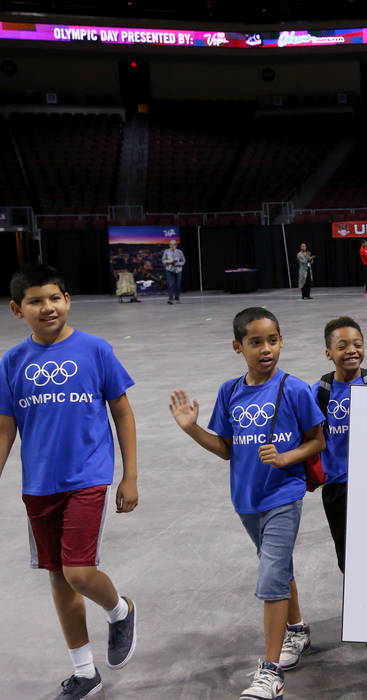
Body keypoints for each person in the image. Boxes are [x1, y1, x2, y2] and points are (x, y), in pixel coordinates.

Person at [169, 307, 325, 700]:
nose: (266, 349)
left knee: (271, 575)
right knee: (277, 565)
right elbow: (225, 448)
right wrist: (192, 430)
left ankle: (270, 673)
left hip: (283, 495)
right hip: (246, 498)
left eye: (272, 340)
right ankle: (298, 630)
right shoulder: (230, 391)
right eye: (255, 342)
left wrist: (286, 458)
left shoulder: (294, 389)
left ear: (282, 340)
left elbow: (317, 441)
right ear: (238, 347)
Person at [0, 264, 139, 700]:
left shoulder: (94, 349)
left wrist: (129, 475)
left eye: (55, 298)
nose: (47, 307)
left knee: (78, 571)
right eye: (36, 301)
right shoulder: (11, 362)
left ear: (68, 300)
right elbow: (5, 427)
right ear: (17, 309)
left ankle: (120, 610)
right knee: (58, 576)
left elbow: (122, 411)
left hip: (88, 477)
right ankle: (84, 672)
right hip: (39, 483)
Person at [314, 317, 367, 575]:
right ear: (328, 353)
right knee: (347, 555)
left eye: (357, 344)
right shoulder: (319, 392)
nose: (351, 350)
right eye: (342, 346)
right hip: (337, 486)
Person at [162, 238, 185, 305]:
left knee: (178, 285)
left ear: (176, 245)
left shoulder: (179, 252)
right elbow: (163, 260)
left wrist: (179, 264)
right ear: (169, 245)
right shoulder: (166, 251)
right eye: (171, 244)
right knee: (170, 284)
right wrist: (168, 261)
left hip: (178, 270)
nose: (172, 246)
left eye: (174, 244)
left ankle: (177, 298)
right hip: (169, 269)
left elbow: (183, 261)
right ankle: (170, 299)